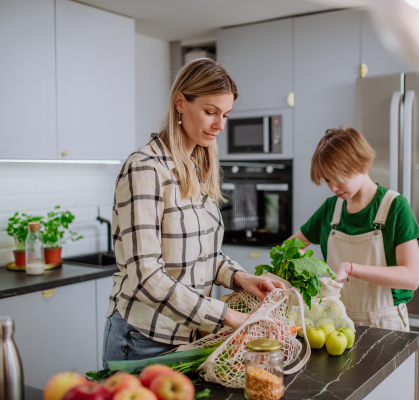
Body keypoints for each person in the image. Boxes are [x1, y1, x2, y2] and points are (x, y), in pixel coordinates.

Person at [102, 59, 285, 368]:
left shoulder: (199, 168)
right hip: (143, 340)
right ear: (180, 103)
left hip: (191, 336)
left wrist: (242, 279)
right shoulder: (145, 169)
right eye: (211, 112)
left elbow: (203, 256)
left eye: (225, 115)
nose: (220, 125)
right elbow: (147, 278)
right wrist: (228, 317)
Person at [290, 126, 419, 331]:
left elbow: (412, 278)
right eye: (327, 180)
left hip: (385, 323)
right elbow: (291, 248)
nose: (333, 188)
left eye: (338, 177)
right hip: (335, 322)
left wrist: (352, 268)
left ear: (360, 164)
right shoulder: (330, 209)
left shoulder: (395, 207)